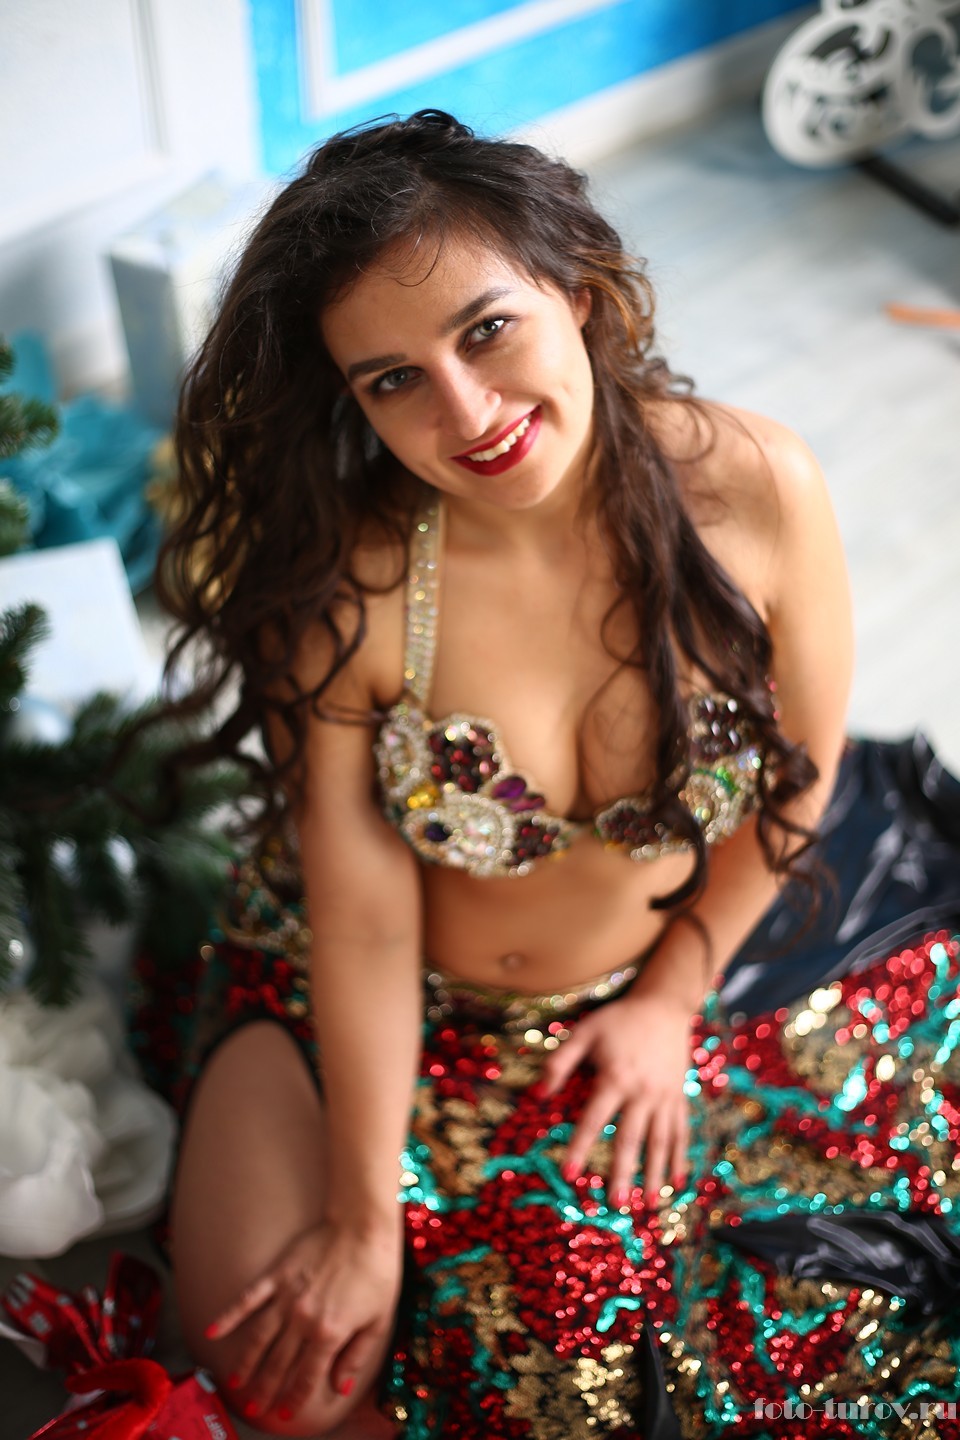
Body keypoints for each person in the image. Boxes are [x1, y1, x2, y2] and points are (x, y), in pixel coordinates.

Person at [152, 110, 960, 1439]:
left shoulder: (755, 487)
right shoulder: (352, 590)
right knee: (277, 1382)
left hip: (669, 978)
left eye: (486, 331)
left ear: (577, 290)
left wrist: (671, 997)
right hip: (384, 998)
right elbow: (364, 920)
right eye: (392, 381)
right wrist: (363, 1216)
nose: (465, 413)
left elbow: (800, 778)